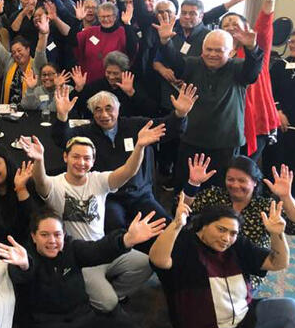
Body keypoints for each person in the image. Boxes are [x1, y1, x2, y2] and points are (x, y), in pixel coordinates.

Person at [149, 197, 295, 328]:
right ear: (203, 225)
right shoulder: (186, 244)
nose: (226, 238)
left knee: (290, 307)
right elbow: (158, 259)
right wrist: (177, 224)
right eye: (221, 229)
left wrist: (276, 234)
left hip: (246, 318)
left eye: (232, 233)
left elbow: (277, 263)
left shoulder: (236, 244)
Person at [21, 122, 166, 313]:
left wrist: (139, 147)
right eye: (76, 157)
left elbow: (128, 171)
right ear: (65, 157)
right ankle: (98, 296)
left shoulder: (99, 180)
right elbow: (41, 182)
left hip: (105, 247)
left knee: (147, 263)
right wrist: (39, 160)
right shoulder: (55, 184)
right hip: (80, 257)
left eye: (86, 158)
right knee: (108, 304)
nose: (81, 162)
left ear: (93, 161)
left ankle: (113, 292)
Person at [8, 209, 161, 328]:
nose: (52, 241)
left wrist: (126, 240)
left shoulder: (72, 248)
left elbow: (98, 250)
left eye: (57, 235)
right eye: (44, 235)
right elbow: (22, 274)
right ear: (33, 236)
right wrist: (23, 267)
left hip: (83, 323)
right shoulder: (24, 258)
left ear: (63, 235)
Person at [52, 86, 196, 233]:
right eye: (98, 110)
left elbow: (168, 128)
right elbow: (62, 139)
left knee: (167, 227)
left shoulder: (135, 126)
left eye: (109, 108)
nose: (104, 114)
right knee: (113, 229)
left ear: (118, 109)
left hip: (140, 194)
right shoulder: (86, 132)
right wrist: (62, 116)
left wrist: (180, 113)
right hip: (109, 196)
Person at [154, 18, 264, 189]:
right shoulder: (192, 64)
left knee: (221, 191)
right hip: (192, 139)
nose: (212, 54)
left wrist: (251, 48)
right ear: (202, 50)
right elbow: (175, 62)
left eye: (219, 51)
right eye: (208, 50)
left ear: (231, 52)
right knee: (185, 187)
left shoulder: (238, 68)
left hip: (226, 143)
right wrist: (165, 41)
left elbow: (252, 72)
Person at [183, 154, 295, 289]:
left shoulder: (265, 206)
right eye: (230, 179)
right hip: (209, 257)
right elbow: (183, 211)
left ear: (255, 182)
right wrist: (193, 184)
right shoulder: (214, 195)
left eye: (242, 181)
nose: (235, 185)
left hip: (246, 265)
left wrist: (286, 197)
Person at [219, 0, 283, 161]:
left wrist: (269, 0)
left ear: (247, 28)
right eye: (226, 24)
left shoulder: (256, 49)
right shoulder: (215, 54)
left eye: (235, 23)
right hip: (227, 122)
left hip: (255, 120)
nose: (230, 26)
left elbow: (264, 27)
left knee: (246, 172)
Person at [269, 26, 295, 192]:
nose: (293, 45)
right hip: (278, 123)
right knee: (275, 166)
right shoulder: (279, 66)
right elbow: (270, 91)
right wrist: (278, 112)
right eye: (291, 41)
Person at [70, 51, 157, 118]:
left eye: (115, 73)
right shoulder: (96, 86)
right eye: (108, 72)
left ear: (124, 72)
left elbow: (151, 110)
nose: (111, 77)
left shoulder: (134, 86)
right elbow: (75, 106)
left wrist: (132, 93)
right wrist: (78, 89)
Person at [69, 1, 137, 85]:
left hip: (114, 82)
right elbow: (72, 42)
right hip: (90, 81)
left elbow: (132, 49)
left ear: (115, 17)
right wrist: (77, 21)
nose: (105, 19)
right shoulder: (90, 31)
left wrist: (127, 24)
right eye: (102, 17)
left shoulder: (123, 32)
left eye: (109, 16)